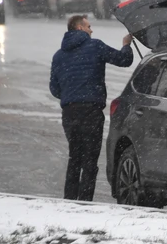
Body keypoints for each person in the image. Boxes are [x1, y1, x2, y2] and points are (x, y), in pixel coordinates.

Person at [49, 14, 133, 201]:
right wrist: (126, 44)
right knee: (89, 161)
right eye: (88, 26)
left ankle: (69, 201)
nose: (91, 30)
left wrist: (71, 96)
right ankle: (85, 203)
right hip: (91, 112)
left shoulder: (59, 55)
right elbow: (123, 60)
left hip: (69, 113)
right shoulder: (95, 46)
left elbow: (54, 88)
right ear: (79, 28)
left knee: (75, 158)